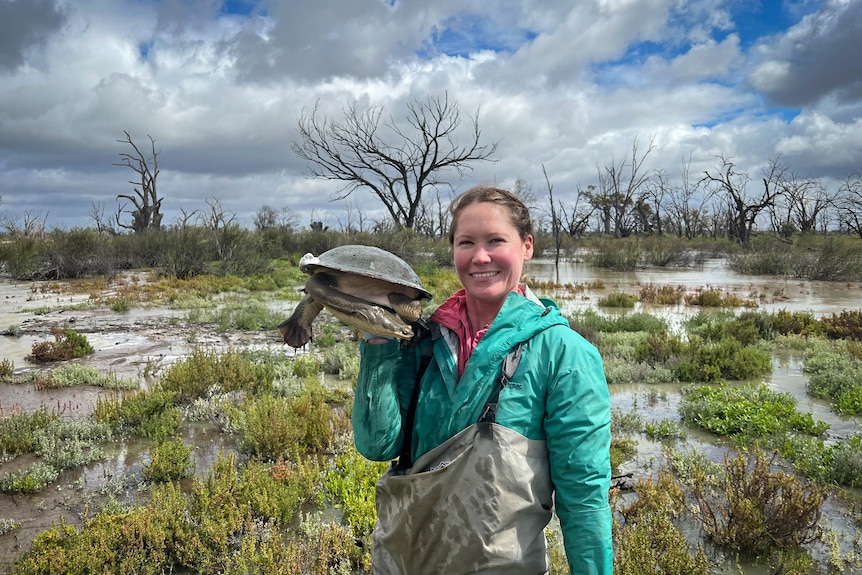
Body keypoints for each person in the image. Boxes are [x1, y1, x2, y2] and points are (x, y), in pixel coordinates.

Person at [352, 185, 613, 574]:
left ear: (527, 246)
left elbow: (584, 499)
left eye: (496, 241)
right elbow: (377, 444)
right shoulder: (423, 341)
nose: (480, 257)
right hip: (400, 561)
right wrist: (377, 336)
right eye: (466, 242)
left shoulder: (564, 354)